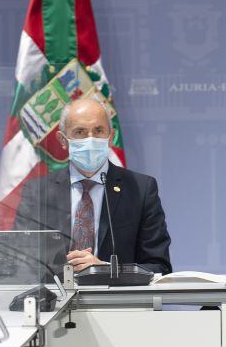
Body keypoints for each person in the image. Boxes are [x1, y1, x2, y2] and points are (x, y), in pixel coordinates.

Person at [14, 96, 172, 275]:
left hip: (118, 301)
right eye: (80, 132)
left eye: (98, 131)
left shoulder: (140, 189)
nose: (90, 140)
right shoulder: (37, 193)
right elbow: (19, 262)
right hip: (55, 300)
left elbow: (159, 267)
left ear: (111, 137)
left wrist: (107, 270)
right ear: (63, 140)